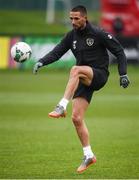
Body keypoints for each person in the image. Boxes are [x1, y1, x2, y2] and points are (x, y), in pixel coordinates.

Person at [33, 5, 130, 173]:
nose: (73, 21)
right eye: (71, 18)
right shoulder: (71, 36)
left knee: (75, 69)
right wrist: (42, 61)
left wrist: (122, 74)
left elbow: (119, 51)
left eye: (76, 18)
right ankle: (88, 155)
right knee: (77, 118)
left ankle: (61, 105)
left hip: (99, 75)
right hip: (83, 80)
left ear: (85, 18)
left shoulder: (98, 33)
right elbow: (57, 52)